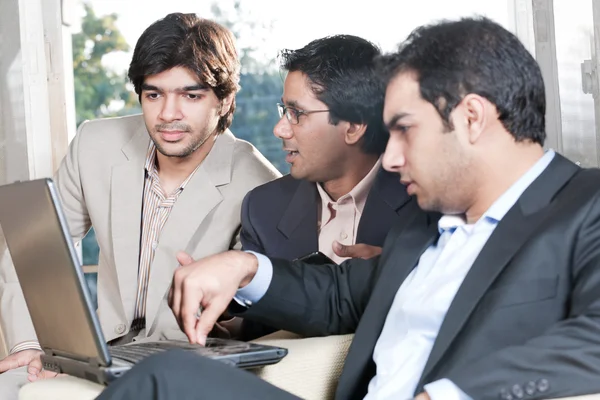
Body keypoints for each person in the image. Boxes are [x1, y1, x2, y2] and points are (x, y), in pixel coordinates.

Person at [100, 16, 600, 400]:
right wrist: (244, 266)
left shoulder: (584, 206)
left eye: (405, 129)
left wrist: (448, 395)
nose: (393, 155)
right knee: (166, 377)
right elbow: (340, 297)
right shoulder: (425, 224)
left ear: (472, 118)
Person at [0, 12, 280, 399]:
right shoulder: (94, 145)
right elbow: (28, 251)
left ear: (225, 98)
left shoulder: (260, 186)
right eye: (154, 94)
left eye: (191, 95)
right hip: (95, 353)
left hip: (183, 364)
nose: (168, 114)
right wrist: (28, 345)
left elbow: (255, 314)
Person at [239, 34, 414, 340]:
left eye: (297, 114)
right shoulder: (262, 209)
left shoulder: (425, 203)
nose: (279, 129)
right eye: (284, 112)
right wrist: (229, 328)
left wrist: (394, 273)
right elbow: (257, 324)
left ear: (355, 125)